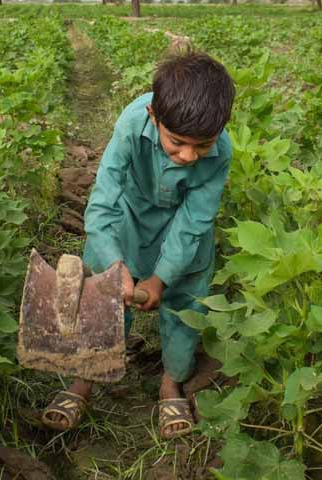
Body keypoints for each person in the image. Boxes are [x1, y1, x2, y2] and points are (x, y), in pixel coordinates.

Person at [42, 52, 235, 440]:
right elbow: (101, 205)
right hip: (129, 217)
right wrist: (116, 267)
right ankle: (84, 378)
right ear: (153, 116)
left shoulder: (221, 151)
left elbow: (195, 220)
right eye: (177, 142)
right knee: (100, 294)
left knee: (185, 303)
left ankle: (171, 382)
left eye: (202, 146)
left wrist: (161, 280)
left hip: (183, 229)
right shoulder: (132, 124)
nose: (188, 156)